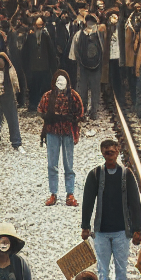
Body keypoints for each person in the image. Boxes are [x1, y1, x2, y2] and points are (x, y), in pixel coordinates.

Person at [81, 137, 141, 280]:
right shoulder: (95, 174)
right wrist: (85, 226)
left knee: (121, 270)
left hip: (122, 232)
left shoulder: (126, 174)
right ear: (102, 153)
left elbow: (135, 203)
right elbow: (88, 201)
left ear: (118, 151)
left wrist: (137, 229)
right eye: (106, 152)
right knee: (102, 269)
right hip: (101, 232)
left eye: (112, 152)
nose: (109, 155)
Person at [37, 68, 84, 206]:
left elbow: (80, 112)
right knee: (52, 164)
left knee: (68, 165)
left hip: (68, 132)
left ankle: (70, 194)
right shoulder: (47, 96)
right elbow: (40, 110)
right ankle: (54, 193)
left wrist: (71, 119)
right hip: (52, 133)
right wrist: (48, 118)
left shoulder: (74, 96)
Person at [0, 51, 23, 151]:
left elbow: (16, 85)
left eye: (2, 61)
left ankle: (16, 142)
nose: (0, 63)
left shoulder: (10, 71)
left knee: (13, 120)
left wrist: (18, 98)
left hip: (8, 98)